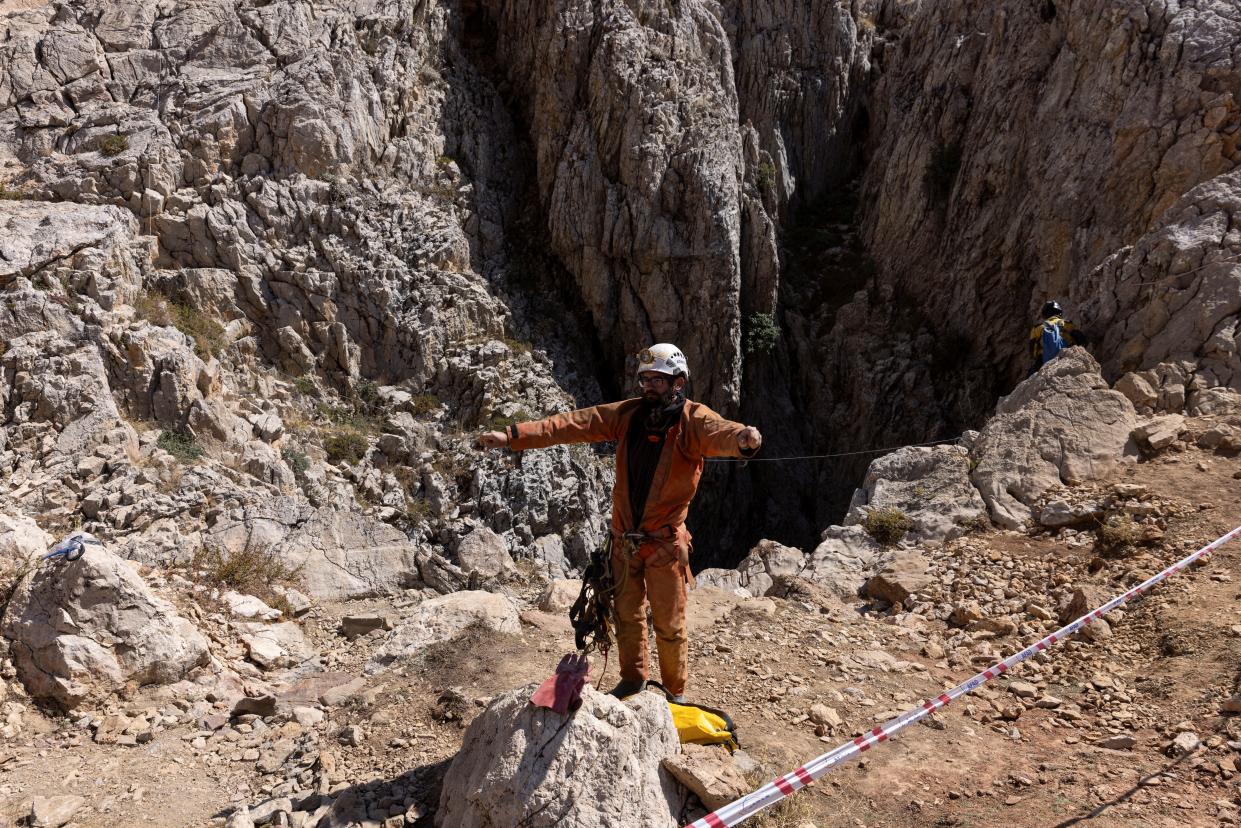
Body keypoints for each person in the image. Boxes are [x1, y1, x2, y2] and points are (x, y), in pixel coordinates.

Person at [478, 343, 762, 703]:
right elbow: (574, 424)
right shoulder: (629, 414)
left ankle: (674, 693)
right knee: (626, 616)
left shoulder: (693, 420)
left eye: (657, 380)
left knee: (669, 627)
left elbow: (722, 433)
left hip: (664, 545)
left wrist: (744, 440)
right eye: (645, 380)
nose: (648, 386)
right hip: (625, 543)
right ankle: (633, 680)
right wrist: (513, 437)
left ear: (678, 382)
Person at [1029, 300, 1086, 372]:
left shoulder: (1038, 328)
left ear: (1045, 314)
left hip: (1043, 361)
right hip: (1066, 356)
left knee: (1031, 375)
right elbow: (1080, 338)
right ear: (1059, 312)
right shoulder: (1066, 324)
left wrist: (1035, 358)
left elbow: (1032, 347)